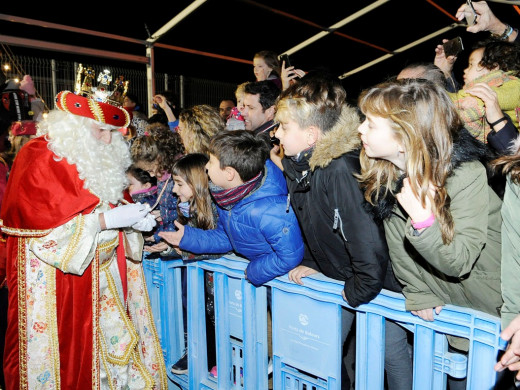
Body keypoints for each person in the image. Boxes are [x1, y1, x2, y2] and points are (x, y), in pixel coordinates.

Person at [0, 90, 167, 389]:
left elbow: (108, 203)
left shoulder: (102, 158)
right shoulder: (37, 156)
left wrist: (133, 221)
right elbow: (40, 236)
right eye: (100, 130)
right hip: (62, 288)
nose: (107, 140)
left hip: (106, 283)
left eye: (112, 132)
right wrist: (105, 221)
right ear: (74, 126)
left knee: (111, 361)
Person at [274, 71, 412, 390]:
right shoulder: (301, 166)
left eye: (283, 126)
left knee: (389, 354)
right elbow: (309, 221)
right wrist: (310, 261)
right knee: (329, 351)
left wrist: (354, 291)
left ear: (311, 135)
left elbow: (368, 238)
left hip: (377, 282)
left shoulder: (339, 168)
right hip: (344, 276)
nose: (276, 134)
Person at [357, 79, 502, 359]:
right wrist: (419, 291)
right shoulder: (387, 177)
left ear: (404, 138)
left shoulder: (465, 175)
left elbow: (460, 261)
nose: (360, 129)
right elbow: (400, 251)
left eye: (371, 124)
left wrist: (424, 220)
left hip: (491, 306)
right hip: (449, 307)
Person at [158, 130, 304, 287]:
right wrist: (188, 238)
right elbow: (226, 237)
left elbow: (289, 256)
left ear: (229, 173)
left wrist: (254, 271)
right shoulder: (228, 196)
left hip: (276, 282)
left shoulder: (271, 211)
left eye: (211, 162)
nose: (206, 166)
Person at [168, 153, 223, 376]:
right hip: (206, 283)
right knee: (204, 317)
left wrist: (184, 251)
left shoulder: (218, 208)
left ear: (197, 181)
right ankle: (205, 356)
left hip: (220, 285)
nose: (173, 189)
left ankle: (220, 360)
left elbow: (222, 246)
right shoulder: (191, 209)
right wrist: (170, 248)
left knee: (219, 322)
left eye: (179, 183)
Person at [448, 39, 520, 143]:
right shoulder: (468, 91)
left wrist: (479, 99)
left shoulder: (513, 82)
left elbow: (506, 96)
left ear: (494, 67)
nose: (465, 70)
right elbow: (452, 98)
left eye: (471, 64)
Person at [131, 123, 185, 255]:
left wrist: (163, 238)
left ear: (160, 158)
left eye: (150, 170)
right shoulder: (163, 176)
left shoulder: (180, 177)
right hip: (170, 238)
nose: (151, 175)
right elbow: (169, 211)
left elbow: (182, 216)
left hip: (179, 240)